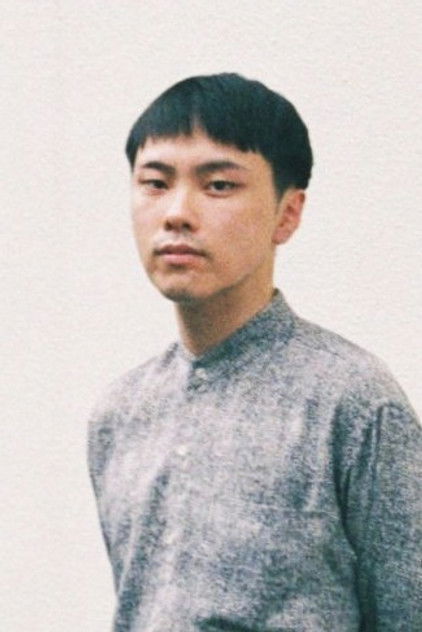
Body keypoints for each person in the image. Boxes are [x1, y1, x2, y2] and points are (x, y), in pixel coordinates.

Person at [88, 73, 421, 631]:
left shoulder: (353, 403)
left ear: (287, 214)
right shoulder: (120, 413)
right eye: (155, 183)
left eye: (218, 185)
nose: (177, 213)